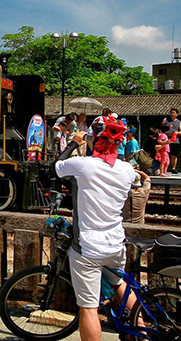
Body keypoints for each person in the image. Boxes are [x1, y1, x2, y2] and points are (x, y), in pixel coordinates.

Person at [54, 117, 137, 341]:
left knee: (89, 308)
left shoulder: (83, 164)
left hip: (88, 247)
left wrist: (74, 142)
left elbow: (57, 165)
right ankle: (142, 333)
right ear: (118, 144)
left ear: (94, 139)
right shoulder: (127, 170)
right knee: (120, 283)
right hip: (115, 243)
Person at [161, 108, 181, 173]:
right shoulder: (165, 120)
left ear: (177, 114)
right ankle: (164, 168)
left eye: (174, 113)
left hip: (175, 140)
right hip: (166, 139)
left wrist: (176, 133)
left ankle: (173, 168)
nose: (172, 114)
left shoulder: (179, 122)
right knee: (165, 153)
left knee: (174, 155)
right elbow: (162, 128)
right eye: (171, 112)